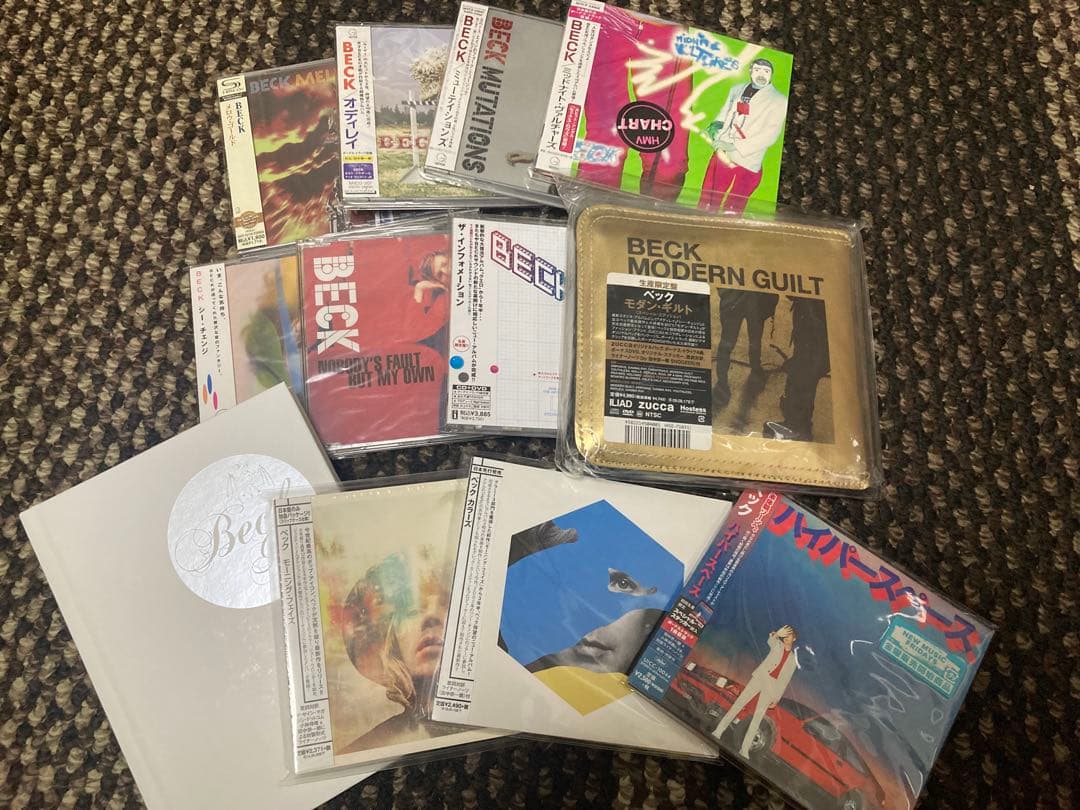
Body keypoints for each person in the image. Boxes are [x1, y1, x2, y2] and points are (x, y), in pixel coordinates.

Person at [337, 550, 450, 751]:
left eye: (448, 604)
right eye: (412, 611)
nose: (431, 616)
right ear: (391, 640)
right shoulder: (365, 750)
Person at [699, 58, 788, 213]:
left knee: (734, 207)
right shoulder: (737, 88)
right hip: (723, 153)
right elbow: (725, 112)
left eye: (766, 71)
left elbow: (770, 135)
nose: (761, 74)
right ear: (750, 71)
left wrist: (735, 146)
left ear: (771, 74)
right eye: (757, 70)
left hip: (748, 160)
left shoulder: (779, 100)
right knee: (708, 200)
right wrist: (715, 127)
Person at [711, 625, 799, 758]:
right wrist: (777, 634)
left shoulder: (793, 660)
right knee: (739, 704)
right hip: (760, 678)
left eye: (789, 635)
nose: (786, 637)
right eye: (785, 634)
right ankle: (718, 731)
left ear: (794, 638)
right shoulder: (778, 645)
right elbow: (771, 640)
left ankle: (744, 749)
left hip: (772, 687)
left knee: (757, 718)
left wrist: (776, 699)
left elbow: (785, 681)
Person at [763, 297, 829, 442]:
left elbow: (819, 339)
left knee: (800, 388)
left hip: (811, 360)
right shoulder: (806, 306)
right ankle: (796, 425)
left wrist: (805, 365)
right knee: (798, 388)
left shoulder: (813, 308)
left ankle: (798, 429)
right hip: (806, 356)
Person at [713, 290, 779, 408]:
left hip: (748, 299)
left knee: (735, 341)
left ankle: (725, 378)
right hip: (741, 299)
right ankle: (725, 378)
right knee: (732, 342)